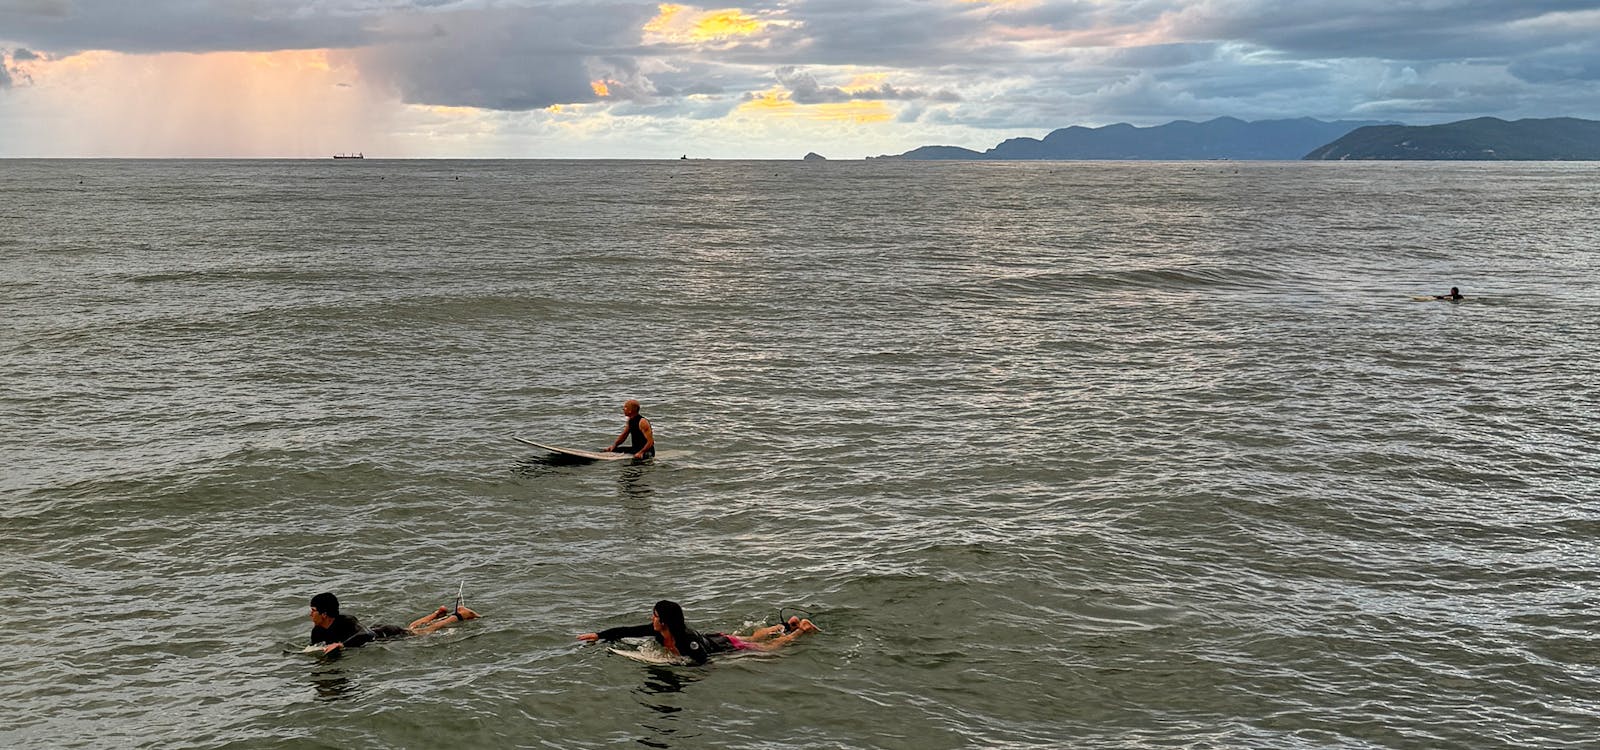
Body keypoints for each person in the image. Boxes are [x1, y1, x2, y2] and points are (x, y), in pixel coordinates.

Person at [577, 600, 819, 665]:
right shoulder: (659, 632)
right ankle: (787, 625)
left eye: (655, 616)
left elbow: (703, 661)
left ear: (665, 621)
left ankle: (799, 631)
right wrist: (599, 635)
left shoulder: (686, 640)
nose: (651, 619)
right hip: (717, 638)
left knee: (767, 650)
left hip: (723, 646)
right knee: (752, 637)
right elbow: (627, 630)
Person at [308, 592, 480, 655]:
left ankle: (460, 615)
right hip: (380, 631)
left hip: (387, 634)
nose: (310, 614)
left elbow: (365, 636)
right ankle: (437, 613)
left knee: (424, 632)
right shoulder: (317, 631)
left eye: (313, 610)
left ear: (324, 614)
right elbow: (315, 648)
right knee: (412, 628)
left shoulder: (346, 621)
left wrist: (341, 645)